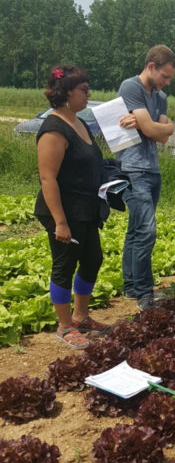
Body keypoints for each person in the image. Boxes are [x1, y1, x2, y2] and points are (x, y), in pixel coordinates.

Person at [35, 65, 109, 349]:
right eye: (83, 90)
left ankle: (81, 316)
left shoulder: (78, 122)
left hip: (85, 208)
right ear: (66, 93)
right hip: (62, 210)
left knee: (93, 259)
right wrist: (60, 222)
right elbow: (47, 178)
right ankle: (64, 326)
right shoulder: (54, 128)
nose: (88, 95)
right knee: (65, 264)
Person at [117, 45, 175, 311]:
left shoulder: (160, 97)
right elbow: (154, 128)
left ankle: (131, 286)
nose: (166, 82)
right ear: (151, 66)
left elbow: (163, 136)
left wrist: (162, 126)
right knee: (146, 231)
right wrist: (154, 126)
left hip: (152, 168)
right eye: (164, 76)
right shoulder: (131, 88)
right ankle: (144, 293)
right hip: (131, 167)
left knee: (135, 229)